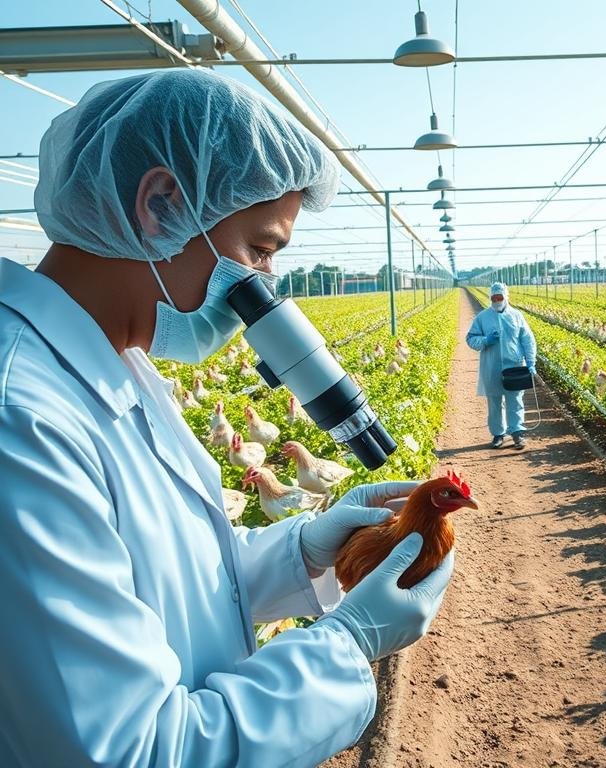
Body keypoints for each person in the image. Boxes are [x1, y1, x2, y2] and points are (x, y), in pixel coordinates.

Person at [0, 69, 453, 767]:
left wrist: (303, 553)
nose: (265, 285)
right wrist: (347, 644)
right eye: (261, 250)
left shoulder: (120, 362)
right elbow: (127, 752)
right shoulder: (20, 419)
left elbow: (160, 579)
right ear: (160, 206)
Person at [465, 282, 537, 449]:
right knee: (495, 402)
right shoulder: (482, 317)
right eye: (494, 298)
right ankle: (498, 434)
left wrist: (531, 362)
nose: (497, 300)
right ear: (490, 298)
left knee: (515, 400)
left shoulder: (517, 316)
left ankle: (517, 433)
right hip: (492, 367)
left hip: (515, 366)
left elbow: (528, 340)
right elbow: (470, 339)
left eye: (500, 297)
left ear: (506, 297)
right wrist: (485, 340)